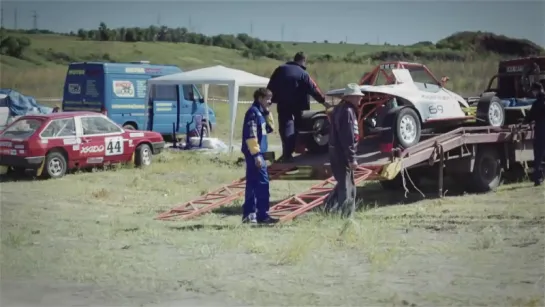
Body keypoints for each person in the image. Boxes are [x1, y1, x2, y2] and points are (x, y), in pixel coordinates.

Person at [267, 52, 328, 162]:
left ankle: (287, 154)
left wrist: (267, 103)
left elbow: (270, 87)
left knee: (286, 128)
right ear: (303, 61)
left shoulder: (280, 69)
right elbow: (314, 89)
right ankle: (302, 149)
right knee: (301, 127)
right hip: (299, 105)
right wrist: (324, 102)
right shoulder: (303, 73)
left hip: (283, 104)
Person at [323, 84, 364, 218]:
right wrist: (351, 158)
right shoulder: (347, 111)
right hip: (342, 153)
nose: (360, 99)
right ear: (349, 97)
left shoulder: (340, 109)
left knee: (343, 184)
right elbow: (348, 136)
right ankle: (346, 217)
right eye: (357, 97)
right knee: (347, 187)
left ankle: (328, 208)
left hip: (336, 151)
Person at [241, 88, 278, 224]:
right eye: (267, 99)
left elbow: (269, 129)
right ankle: (262, 215)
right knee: (262, 183)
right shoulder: (253, 113)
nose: (270, 101)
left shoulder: (260, 113)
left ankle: (250, 214)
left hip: (257, 153)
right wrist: (256, 155)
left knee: (252, 183)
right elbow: (251, 135)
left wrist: (268, 113)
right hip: (254, 154)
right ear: (260, 98)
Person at [524, 82, 545, 186]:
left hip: (541, 132)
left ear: (537, 90)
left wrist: (523, 122)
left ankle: (538, 179)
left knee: (538, 156)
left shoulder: (537, 103)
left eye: (533, 91)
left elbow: (530, 116)